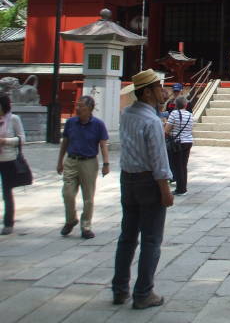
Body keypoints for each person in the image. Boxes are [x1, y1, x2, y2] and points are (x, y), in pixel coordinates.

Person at [112, 69, 174, 310]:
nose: (163, 91)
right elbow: (159, 161)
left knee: (127, 237)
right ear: (148, 92)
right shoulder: (152, 122)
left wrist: (161, 102)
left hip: (128, 180)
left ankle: (119, 289)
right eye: (159, 87)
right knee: (151, 239)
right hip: (150, 183)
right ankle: (143, 292)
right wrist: (166, 190)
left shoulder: (126, 114)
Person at [56, 95, 110, 239]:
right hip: (71, 160)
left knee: (88, 197)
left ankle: (86, 225)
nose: (78, 109)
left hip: (89, 162)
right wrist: (60, 161)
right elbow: (65, 142)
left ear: (90, 109)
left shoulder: (98, 124)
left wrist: (106, 163)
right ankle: (71, 219)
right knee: (67, 193)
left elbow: (103, 145)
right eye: (77, 106)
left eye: (81, 107)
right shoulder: (71, 122)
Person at [0, 94, 24, 235]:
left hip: (8, 159)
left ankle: (8, 222)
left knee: (7, 192)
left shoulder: (13, 119)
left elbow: (22, 138)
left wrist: (5, 141)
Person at [165, 96, 194, 195]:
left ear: (176, 105)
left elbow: (167, 130)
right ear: (185, 105)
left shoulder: (174, 113)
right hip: (188, 141)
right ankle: (182, 187)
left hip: (177, 142)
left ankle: (180, 189)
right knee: (183, 165)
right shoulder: (190, 115)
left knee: (177, 165)